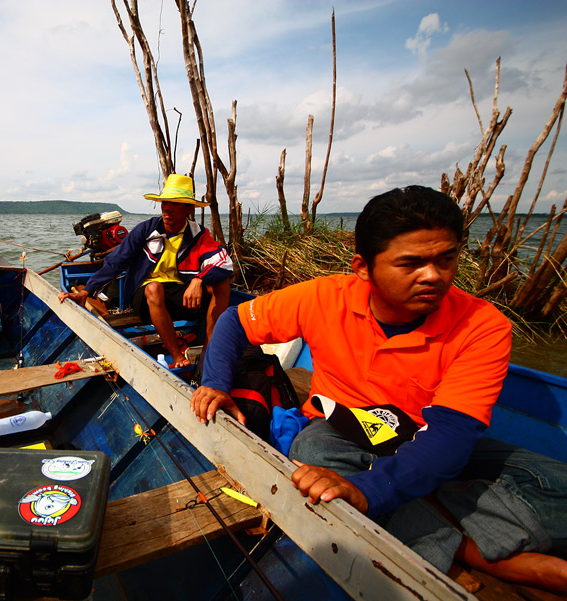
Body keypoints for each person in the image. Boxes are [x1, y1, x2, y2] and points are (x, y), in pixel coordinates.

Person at [190, 186, 567, 593]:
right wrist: (215, 383)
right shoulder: (324, 296)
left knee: (557, 483)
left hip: (427, 438)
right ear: (363, 267)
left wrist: (365, 491)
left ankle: (446, 540)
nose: (434, 276)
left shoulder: (482, 325)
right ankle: (479, 551)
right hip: (343, 429)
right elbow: (234, 322)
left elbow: (452, 436)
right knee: (313, 455)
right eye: (411, 263)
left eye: (447, 259)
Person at [58, 174, 233, 368]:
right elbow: (116, 262)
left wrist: (199, 279)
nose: (167, 208)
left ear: (188, 208)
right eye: (165, 202)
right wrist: (86, 291)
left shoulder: (197, 234)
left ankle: (209, 350)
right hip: (145, 298)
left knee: (221, 284)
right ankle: (177, 357)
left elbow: (223, 262)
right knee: (154, 287)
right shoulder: (147, 230)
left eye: (175, 204)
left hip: (177, 295)